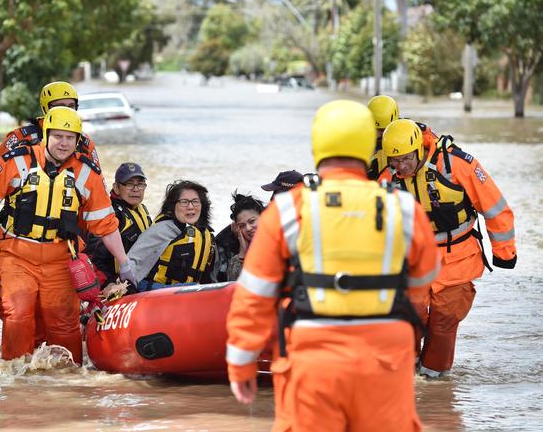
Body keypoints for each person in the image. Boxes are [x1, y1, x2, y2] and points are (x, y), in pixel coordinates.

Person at [226, 100, 439, 432]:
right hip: (384, 357)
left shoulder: (286, 210)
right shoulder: (402, 207)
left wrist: (240, 363)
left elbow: (253, 297)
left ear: (317, 147)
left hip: (313, 358)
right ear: (370, 145)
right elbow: (424, 277)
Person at [0, 107, 135, 365]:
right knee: (17, 315)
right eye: (58, 136)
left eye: (70, 138)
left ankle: (66, 383)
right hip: (16, 254)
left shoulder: (87, 173)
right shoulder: (16, 161)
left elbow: (105, 224)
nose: (64, 143)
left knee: (64, 323)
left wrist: (125, 262)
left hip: (61, 258)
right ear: (46, 135)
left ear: (77, 141)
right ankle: (14, 378)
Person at [380, 118, 517, 378]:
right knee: (408, 315)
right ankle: (404, 374)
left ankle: (434, 382)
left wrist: (504, 252)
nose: (400, 166)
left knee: (444, 321)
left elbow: (494, 206)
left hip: (458, 256)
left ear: (419, 150)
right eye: (394, 161)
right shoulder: (389, 178)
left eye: (405, 159)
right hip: (414, 258)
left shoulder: (457, 164)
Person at [0, 81, 101, 246]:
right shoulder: (22, 137)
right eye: (59, 106)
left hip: (67, 224)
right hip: (22, 222)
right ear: (45, 109)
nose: (66, 111)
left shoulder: (84, 142)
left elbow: (96, 188)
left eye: (71, 106)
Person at [128, 180, 214, 291]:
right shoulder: (162, 229)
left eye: (195, 202)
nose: (190, 206)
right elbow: (133, 260)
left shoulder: (204, 234)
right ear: (174, 205)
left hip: (185, 291)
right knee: (194, 288)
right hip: (152, 290)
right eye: (184, 202)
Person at [85, 162, 151, 288]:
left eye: (140, 184)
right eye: (129, 184)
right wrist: (107, 283)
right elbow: (92, 256)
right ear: (116, 187)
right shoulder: (110, 215)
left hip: (142, 278)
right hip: (119, 283)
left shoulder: (141, 210)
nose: (136, 189)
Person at [367, 95, 438, 180]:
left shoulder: (413, 130)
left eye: (383, 130)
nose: (379, 135)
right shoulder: (359, 137)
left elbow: (435, 149)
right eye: (374, 129)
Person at [211, 192, 265, 282]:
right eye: (242, 226)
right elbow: (237, 287)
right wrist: (243, 255)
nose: (248, 228)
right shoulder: (235, 261)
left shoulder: (281, 243)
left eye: (252, 221)